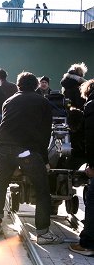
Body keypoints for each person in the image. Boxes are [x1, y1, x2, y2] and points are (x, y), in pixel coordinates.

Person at [0, 72, 63, 245]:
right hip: (26, 151)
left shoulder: (9, 101)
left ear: (18, 85)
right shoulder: (43, 102)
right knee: (43, 190)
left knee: (1, 183)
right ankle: (43, 233)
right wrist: (45, 161)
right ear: (36, 85)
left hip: (3, 148)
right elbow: (45, 134)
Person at [69, 79, 94, 255]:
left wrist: (92, 165)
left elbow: (91, 138)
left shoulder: (92, 105)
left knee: (92, 200)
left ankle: (87, 244)